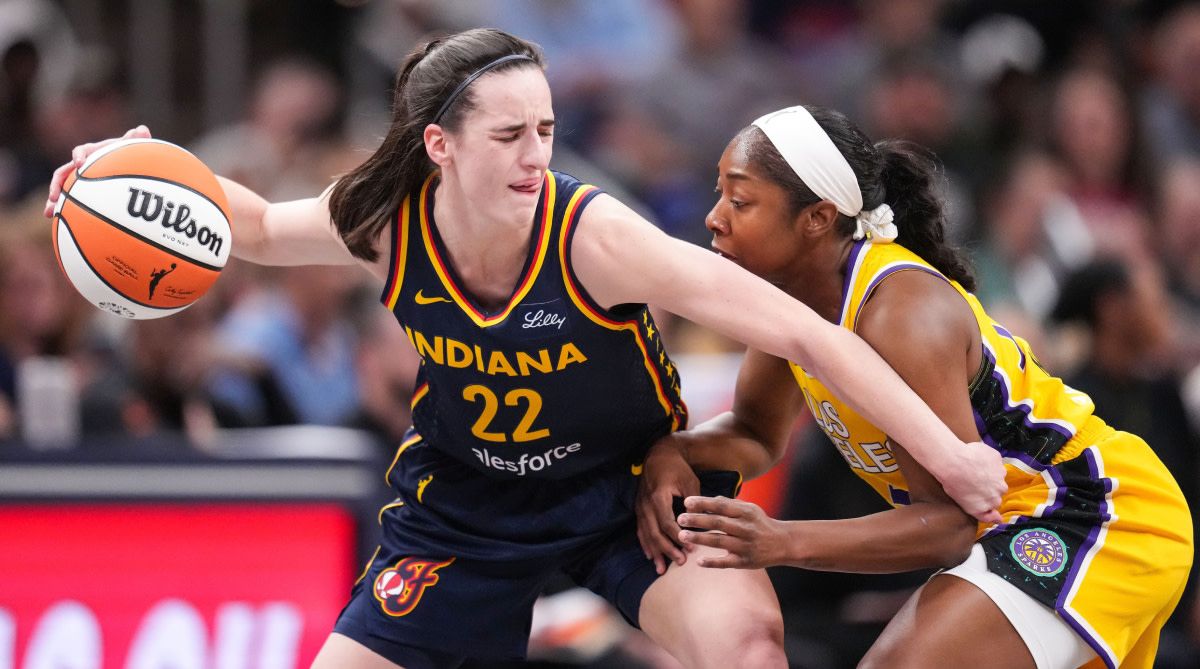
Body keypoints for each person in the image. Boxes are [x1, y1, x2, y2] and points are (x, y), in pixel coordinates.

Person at [45, 31, 1006, 669]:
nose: (537, 155)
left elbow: (799, 327)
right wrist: (125, 175)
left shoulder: (596, 236)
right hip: (464, 509)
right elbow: (247, 223)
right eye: (509, 135)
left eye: (546, 129)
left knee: (748, 644)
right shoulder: (385, 221)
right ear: (440, 147)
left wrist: (950, 452)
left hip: (627, 497)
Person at [635, 104, 1193, 669]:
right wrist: (670, 451)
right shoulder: (792, 310)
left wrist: (784, 540)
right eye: (719, 194)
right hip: (1014, 523)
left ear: (817, 218)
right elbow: (754, 434)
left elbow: (949, 523)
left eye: (740, 200)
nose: (713, 218)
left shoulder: (899, 313)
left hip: (1091, 514)